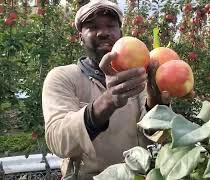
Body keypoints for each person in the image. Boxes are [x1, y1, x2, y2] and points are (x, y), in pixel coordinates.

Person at [41, 0, 171, 179]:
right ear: (80, 36)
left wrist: (155, 99)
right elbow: (58, 142)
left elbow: (158, 138)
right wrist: (107, 101)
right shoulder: (63, 77)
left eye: (111, 25)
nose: (103, 32)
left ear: (121, 33)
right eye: (92, 27)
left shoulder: (137, 77)